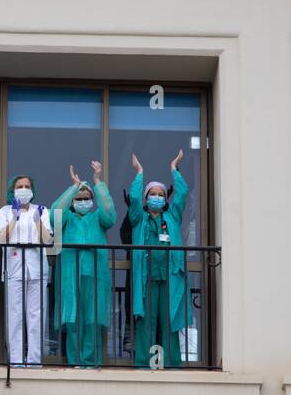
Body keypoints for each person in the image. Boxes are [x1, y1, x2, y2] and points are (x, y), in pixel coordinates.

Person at [127, 150, 190, 369]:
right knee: (146, 322)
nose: (157, 197)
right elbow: (133, 200)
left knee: (170, 321)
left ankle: (171, 364)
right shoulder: (139, 218)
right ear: (147, 198)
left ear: (165, 199)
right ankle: (145, 365)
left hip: (170, 276)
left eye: (161, 194)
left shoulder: (172, 216)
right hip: (147, 279)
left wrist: (174, 169)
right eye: (152, 194)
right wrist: (139, 173)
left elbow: (182, 194)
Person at [52, 161, 117, 366]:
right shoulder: (68, 218)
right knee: (72, 319)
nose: (82, 201)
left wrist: (97, 183)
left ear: (92, 200)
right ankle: (75, 361)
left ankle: (90, 362)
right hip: (71, 274)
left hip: (95, 274)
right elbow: (54, 214)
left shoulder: (98, 218)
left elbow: (110, 213)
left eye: (86, 198)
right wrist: (74, 187)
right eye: (78, 199)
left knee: (93, 319)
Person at [0, 174, 52, 366]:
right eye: (19, 186)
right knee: (14, 315)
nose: (23, 189)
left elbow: (48, 240)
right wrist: (14, 217)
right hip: (14, 268)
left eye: (27, 186)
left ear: (32, 190)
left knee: (36, 315)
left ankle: (35, 360)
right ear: (13, 191)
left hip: (36, 268)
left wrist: (37, 221)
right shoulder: (4, 211)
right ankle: (16, 360)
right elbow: (1, 239)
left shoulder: (42, 210)